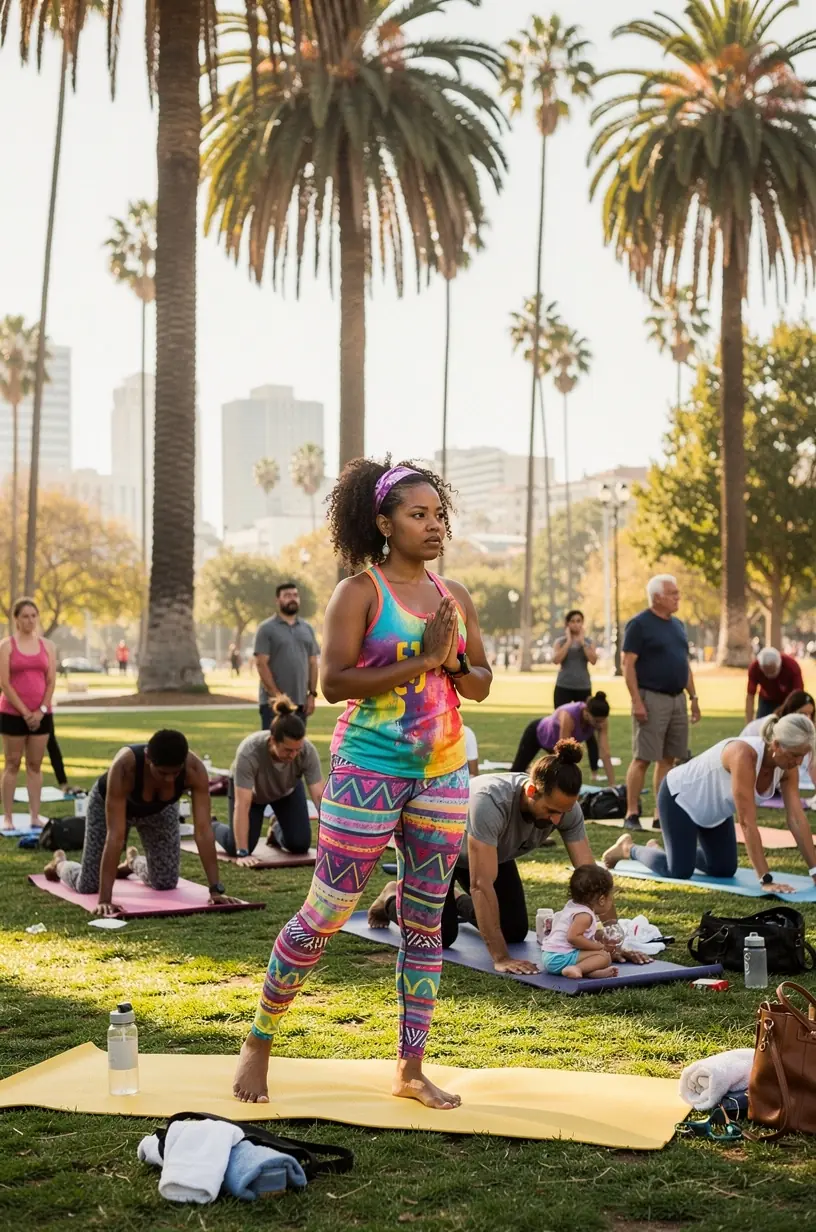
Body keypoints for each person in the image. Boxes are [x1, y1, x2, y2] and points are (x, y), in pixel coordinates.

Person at [233, 458, 492, 1111]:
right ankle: (259, 1041)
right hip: (369, 768)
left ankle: (410, 1069)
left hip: (442, 768)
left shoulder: (453, 594)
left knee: (425, 921)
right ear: (384, 523)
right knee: (326, 911)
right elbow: (336, 683)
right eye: (418, 515)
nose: (434, 526)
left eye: (438, 515)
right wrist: (421, 659)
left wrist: (454, 660)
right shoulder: (361, 592)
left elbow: (482, 681)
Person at [369, 741, 649, 973]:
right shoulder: (491, 802)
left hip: (485, 853)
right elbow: (481, 884)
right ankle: (391, 897)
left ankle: (453, 898)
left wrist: (614, 936)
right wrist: (501, 958)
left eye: (563, 812)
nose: (556, 819)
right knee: (442, 936)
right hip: (435, 846)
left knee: (514, 930)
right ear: (531, 791)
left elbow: (592, 877)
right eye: (551, 810)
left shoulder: (566, 811)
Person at [603, 713, 816, 894]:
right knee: (679, 870)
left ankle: (666, 850)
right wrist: (766, 880)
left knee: (723, 868)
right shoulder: (744, 755)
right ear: (776, 745)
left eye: (802, 756)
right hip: (680, 798)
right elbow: (747, 822)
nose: (798, 762)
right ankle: (627, 848)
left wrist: (815, 871)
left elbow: (797, 818)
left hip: (714, 812)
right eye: (795, 755)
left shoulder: (788, 769)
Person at [43, 730, 242, 916]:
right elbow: (115, 836)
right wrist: (105, 899)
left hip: (160, 810)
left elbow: (203, 830)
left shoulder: (194, 769)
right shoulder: (124, 766)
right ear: (148, 758)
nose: (169, 779)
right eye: (163, 773)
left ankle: (132, 862)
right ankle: (60, 863)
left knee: (165, 882)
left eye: (175, 772)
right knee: (87, 884)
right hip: (110, 805)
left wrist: (216, 890)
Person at [622, 574, 700, 832]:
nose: (678, 597)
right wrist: (636, 701)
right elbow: (628, 665)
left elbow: (684, 664)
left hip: (677, 699)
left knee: (668, 759)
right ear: (657, 597)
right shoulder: (639, 625)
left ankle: (660, 812)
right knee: (643, 758)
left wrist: (694, 697)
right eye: (673, 593)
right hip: (651, 698)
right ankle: (632, 812)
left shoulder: (678, 625)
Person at [213, 696, 325, 862]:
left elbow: (318, 797)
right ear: (273, 741)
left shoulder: (307, 751)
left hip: (287, 791)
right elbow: (242, 805)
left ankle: (275, 829)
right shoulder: (249, 751)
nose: (293, 755)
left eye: (297, 750)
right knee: (236, 845)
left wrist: (337, 842)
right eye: (288, 750)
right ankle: (212, 825)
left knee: (299, 844)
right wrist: (242, 853)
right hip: (253, 797)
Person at [1, 598, 56, 830]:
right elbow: (4, 683)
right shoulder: (7, 646)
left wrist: (41, 710)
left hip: (42, 715)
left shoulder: (48, 646)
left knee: (35, 765)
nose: (30, 620)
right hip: (13, 714)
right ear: (16, 619)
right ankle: (8, 817)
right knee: (12, 764)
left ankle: (35, 815)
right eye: (25, 616)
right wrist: (25, 713)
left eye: (34, 615)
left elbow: (51, 681)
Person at [254, 583, 320, 731]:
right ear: (277, 600)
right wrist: (278, 697)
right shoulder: (266, 629)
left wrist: (312, 695)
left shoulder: (307, 628)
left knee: (296, 749)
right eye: (287, 595)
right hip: (273, 704)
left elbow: (313, 663)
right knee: (272, 749)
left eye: (295, 595)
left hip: (300, 704)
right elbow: (261, 664)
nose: (292, 599)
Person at [509, 693, 616, 784]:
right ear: (587, 713)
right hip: (537, 733)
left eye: (602, 721)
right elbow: (564, 752)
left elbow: (605, 753)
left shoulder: (601, 721)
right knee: (517, 770)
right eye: (597, 721)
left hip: (555, 744)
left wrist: (612, 785)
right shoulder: (569, 715)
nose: (600, 725)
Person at [540, 865, 619, 980]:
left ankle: (591, 973)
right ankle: (577, 968)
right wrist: (597, 946)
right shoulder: (584, 916)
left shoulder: (574, 906)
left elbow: (581, 933)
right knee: (603, 956)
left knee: (598, 956)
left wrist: (599, 935)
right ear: (602, 900)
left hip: (552, 956)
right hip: (558, 958)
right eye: (611, 897)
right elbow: (573, 937)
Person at [552, 609, 599, 772]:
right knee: (560, 726)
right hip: (563, 686)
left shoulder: (588, 641)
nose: (576, 624)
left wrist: (581, 642)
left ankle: (594, 770)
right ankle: (558, 764)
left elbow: (593, 660)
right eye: (573, 621)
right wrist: (569, 641)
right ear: (567, 624)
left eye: (579, 621)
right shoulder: (560, 641)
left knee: (589, 727)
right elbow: (556, 659)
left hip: (583, 687)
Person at [745, 647, 804, 724]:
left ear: (779, 664)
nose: (770, 675)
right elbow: (750, 696)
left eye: (772, 671)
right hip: (766, 700)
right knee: (761, 724)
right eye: (766, 672)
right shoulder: (754, 667)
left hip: (789, 699)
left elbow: (798, 695)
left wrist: (784, 709)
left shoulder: (791, 666)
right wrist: (749, 723)